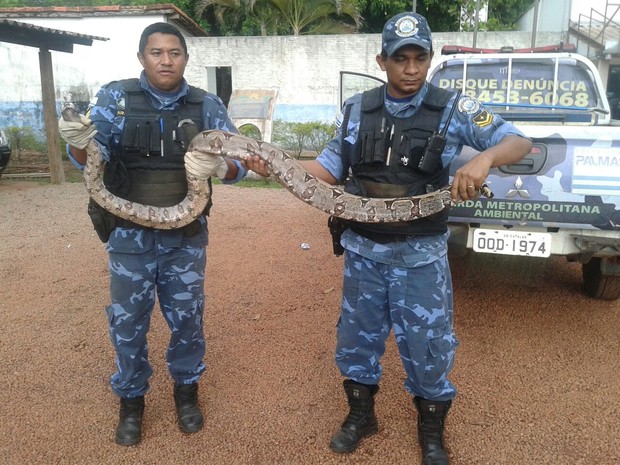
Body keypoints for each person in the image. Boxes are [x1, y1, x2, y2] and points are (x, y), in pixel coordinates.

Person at [247, 12, 532, 465]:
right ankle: (361, 416)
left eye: (420, 57)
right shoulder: (357, 109)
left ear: (430, 58)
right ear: (383, 60)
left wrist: (485, 160)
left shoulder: (453, 107)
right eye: (401, 58)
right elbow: (328, 169)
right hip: (363, 252)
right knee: (357, 341)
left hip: (421, 256)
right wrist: (277, 167)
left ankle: (431, 430)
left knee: (429, 346)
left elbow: (519, 141)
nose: (412, 68)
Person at [58, 22, 247, 446]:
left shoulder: (206, 104)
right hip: (130, 237)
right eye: (157, 52)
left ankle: (186, 393)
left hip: (186, 238)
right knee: (128, 324)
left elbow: (240, 165)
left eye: (174, 52)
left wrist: (220, 166)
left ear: (185, 57)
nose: (166, 60)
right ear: (142, 57)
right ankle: (131, 401)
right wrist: (76, 141)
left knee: (187, 321)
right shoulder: (116, 98)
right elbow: (89, 156)